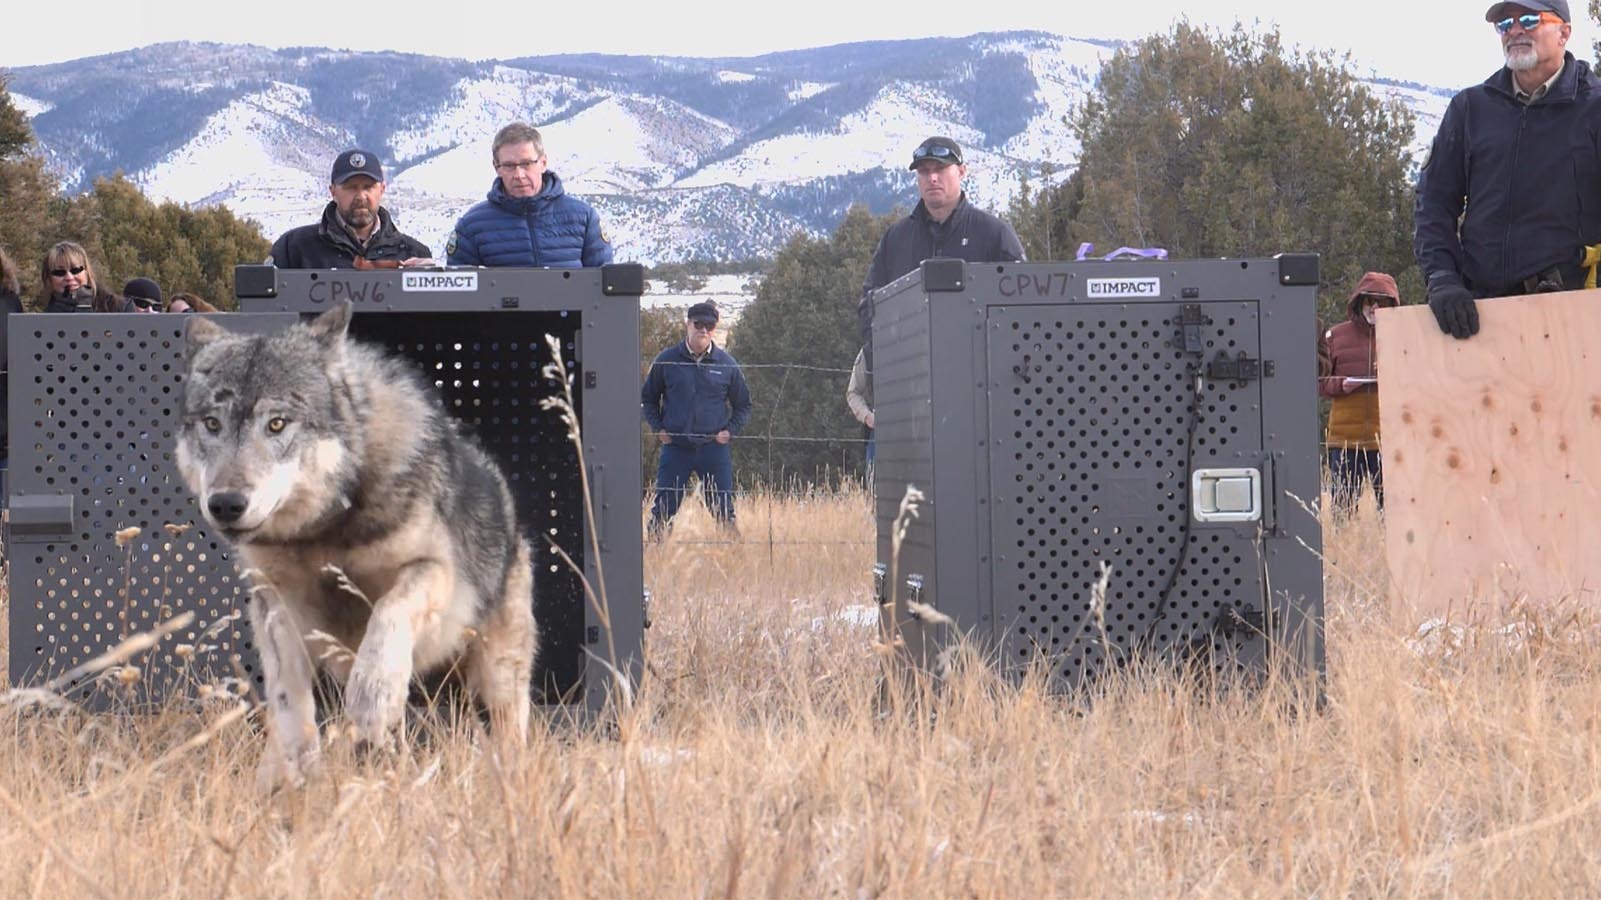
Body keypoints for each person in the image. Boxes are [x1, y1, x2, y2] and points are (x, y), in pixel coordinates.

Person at [1415, 0, 1601, 339]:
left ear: (1565, 32)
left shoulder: (1594, 108)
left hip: (1575, 322)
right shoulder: (1469, 109)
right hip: (1478, 321)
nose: (1514, 30)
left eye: (1529, 19)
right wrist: (1442, 280)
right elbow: (1434, 203)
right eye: (1505, 24)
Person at [859, 136, 1025, 352]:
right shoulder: (895, 239)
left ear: (962, 171)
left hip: (982, 371)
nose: (932, 178)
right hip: (908, 372)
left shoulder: (995, 234)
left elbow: (1023, 308)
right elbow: (869, 307)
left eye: (940, 168)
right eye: (924, 171)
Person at [641, 301, 752, 538]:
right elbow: (648, 399)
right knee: (663, 510)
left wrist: (730, 431)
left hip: (713, 449)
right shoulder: (666, 360)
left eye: (709, 325)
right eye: (698, 324)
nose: (703, 330)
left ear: (715, 328)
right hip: (676, 448)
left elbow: (743, 405)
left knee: (724, 510)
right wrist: (658, 428)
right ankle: (655, 556)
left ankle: (734, 559)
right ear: (687, 325)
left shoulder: (727, 365)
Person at [445, 122, 614, 268]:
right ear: (497, 167)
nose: (519, 174)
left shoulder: (583, 218)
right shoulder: (473, 225)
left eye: (526, 164)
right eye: (509, 166)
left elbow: (604, 284)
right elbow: (459, 292)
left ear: (543, 163)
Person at [1317, 273, 1400, 515]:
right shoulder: (1336, 336)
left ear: (1392, 305)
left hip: (1388, 440)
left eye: (1382, 302)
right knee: (1343, 510)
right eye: (1369, 301)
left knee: (1393, 512)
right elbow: (1318, 382)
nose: (1375, 307)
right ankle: (1344, 551)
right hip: (1344, 440)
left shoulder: (1403, 336)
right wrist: (1341, 385)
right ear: (1358, 302)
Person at [269, 149, 431, 269]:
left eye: (368, 187)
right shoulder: (294, 247)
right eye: (351, 188)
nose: (361, 196)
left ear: (382, 190)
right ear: (333, 192)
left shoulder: (414, 253)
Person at [39, 242, 123, 312]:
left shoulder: (120, 307)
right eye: (60, 272)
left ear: (87, 272)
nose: (69, 277)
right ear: (49, 278)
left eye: (75, 270)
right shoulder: (43, 320)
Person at [845, 345, 874, 470]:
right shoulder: (868, 352)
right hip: (878, 431)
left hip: (917, 429)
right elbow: (853, 393)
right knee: (875, 485)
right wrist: (867, 416)